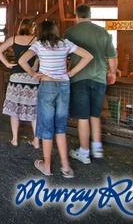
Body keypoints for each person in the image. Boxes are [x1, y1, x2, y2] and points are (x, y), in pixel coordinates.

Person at [19, 20, 92, 178]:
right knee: (60, 127)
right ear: (55, 30)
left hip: (47, 86)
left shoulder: (39, 45)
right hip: (64, 86)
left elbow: (21, 60)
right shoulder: (65, 43)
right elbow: (88, 56)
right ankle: (66, 167)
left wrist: (33, 74)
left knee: (46, 127)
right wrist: (71, 73)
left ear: (40, 31)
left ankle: (47, 166)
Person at [64, 4, 118, 164]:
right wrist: (112, 73)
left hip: (78, 78)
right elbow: (113, 58)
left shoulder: (70, 32)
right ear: (90, 15)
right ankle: (97, 149)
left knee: (83, 117)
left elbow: (63, 54)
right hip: (99, 78)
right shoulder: (103, 33)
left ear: (76, 16)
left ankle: (84, 152)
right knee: (95, 115)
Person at [0, 18, 40, 149]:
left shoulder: (13, 39)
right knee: (34, 111)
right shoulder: (36, 40)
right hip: (32, 77)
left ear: (21, 26)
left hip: (16, 78)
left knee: (14, 111)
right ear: (32, 28)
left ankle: (15, 139)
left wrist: (8, 64)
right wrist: (35, 65)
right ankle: (36, 141)